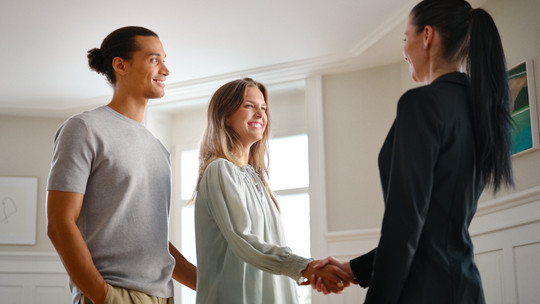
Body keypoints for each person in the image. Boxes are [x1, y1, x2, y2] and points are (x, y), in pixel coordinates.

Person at [310, 0, 514, 303]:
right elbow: (432, 226)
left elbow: (405, 224)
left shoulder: (421, 104)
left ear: (427, 35)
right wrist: (353, 269)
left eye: (406, 39)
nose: (405, 51)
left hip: (423, 291)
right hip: (465, 287)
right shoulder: (480, 111)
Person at [46, 26, 196, 304]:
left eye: (164, 59)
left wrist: (207, 282)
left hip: (164, 297)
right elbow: (59, 223)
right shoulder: (84, 129)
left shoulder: (159, 149)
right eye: (154, 59)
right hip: (113, 294)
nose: (166, 70)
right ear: (120, 65)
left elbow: (155, 240)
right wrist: (103, 296)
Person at [193, 78, 354, 303]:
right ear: (226, 116)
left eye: (264, 108)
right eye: (249, 106)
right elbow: (245, 241)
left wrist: (309, 269)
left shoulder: (256, 178)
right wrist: (305, 267)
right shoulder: (220, 170)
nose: (260, 114)